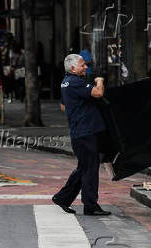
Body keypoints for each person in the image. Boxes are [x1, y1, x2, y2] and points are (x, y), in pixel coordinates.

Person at [52, 54, 111, 216]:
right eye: (82, 65)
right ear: (73, 68)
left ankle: (63, 198)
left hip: (80, 131)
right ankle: (90, 205)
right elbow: (98, 93)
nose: (86, 67)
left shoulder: (65, 83)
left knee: (84, 167)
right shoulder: (76, 82)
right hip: (85, 132)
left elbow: (64, 107)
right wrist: (100, 80)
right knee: (90, 168)